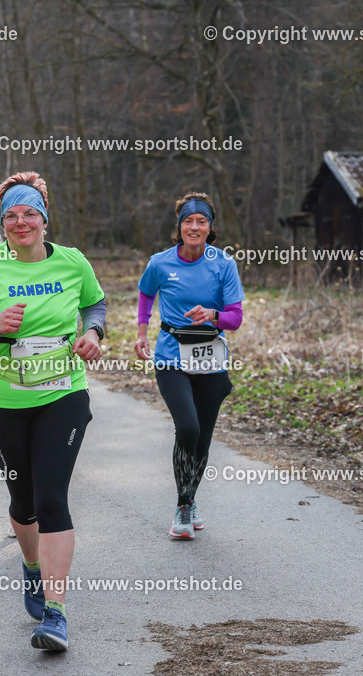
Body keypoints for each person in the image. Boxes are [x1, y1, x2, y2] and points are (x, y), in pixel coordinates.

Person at [0, 171, 105, 652]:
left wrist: (93, 334)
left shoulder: (73, 263)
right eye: (10, 215)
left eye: (29, 213)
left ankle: (55, 613)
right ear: (2, 223)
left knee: (53, 497)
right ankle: (31, 568)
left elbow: (95, 305)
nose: (20, 222)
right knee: (25, 500)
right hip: (1, 400)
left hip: (63, 392)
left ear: (45, 218)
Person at [133, 192, 244, 540]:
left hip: (210, 357)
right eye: (188, 221)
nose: (194, 227)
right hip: (171, 356)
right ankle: (182, 507)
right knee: (189, 428)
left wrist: (213, 315)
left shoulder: (224, 264)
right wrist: (141, 332)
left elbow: (236, 318)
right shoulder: (160, 263)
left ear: (210, 228)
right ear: (179, 227)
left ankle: (190, 499)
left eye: (201, 221)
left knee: (204, 440)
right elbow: (146, 293)